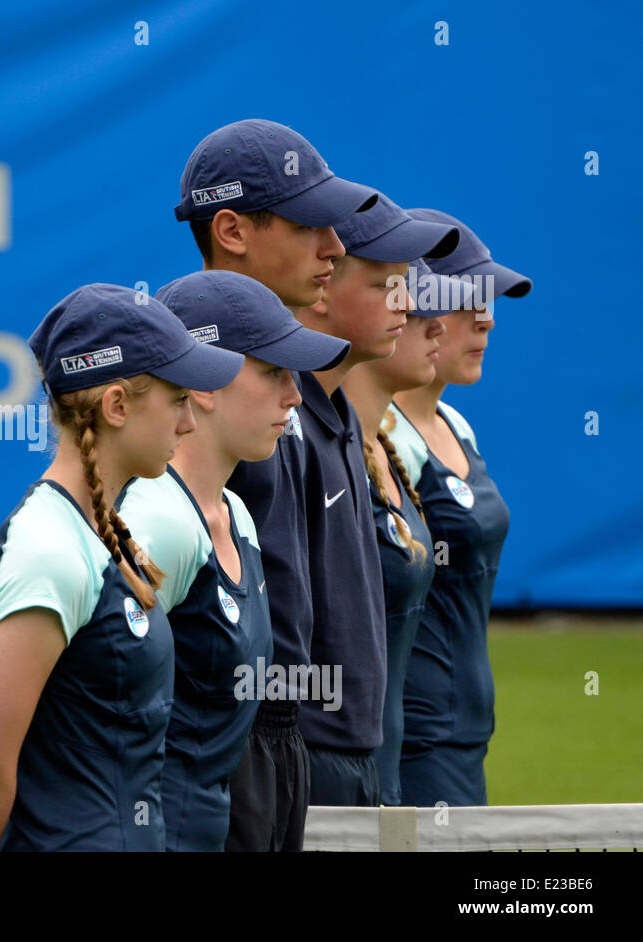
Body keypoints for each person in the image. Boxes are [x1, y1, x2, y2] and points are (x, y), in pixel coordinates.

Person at [0, 283, 244, 851]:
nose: (189, 423)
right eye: (178, 398)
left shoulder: (104, 532)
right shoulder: (48, 550)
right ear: (116, 406)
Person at [173, 117, 376, 849]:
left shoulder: (284, 402)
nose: (336, 248)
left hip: (293, 746)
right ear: (231, 229)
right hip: (240, 753)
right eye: (309, 224)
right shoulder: (199, 407)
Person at [118, 270, 348, 850]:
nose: (295, 396)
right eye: (273, 372)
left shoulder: (239, 516)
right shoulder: (155, 519)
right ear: (202, 383)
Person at [289, 192, 458, 807]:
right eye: (388, 283)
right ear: (324, 286)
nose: (411, 305)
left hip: (365, 768)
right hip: (306, 774)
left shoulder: (338, 422)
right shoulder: (280, 430)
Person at [386, 209, 532, 807]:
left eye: (490, 302)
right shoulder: (380, 439)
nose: (487, 320)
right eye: (468, 301)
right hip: (413, 740)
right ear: (415, 308)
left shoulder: (457, 425)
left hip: (467, 734)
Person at [342, 257, 476, 806]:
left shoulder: (387, 451)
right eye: (416, 306)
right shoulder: (312, 450)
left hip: (402, 760)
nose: (436, 324)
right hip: (366, 763)